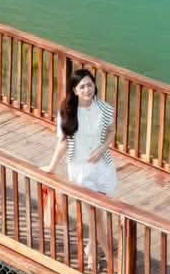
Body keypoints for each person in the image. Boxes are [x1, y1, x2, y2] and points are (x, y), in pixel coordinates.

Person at [47, 65, 118, 196]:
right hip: (79, 169)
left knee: (104, 205)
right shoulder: (66, 113)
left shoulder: (105, 109)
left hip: (103, 167)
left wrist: (102, 149)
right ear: (75, 90)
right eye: (82, 87)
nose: (87, 90)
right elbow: (63, 142)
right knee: (88, 205)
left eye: (90, 85)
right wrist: (51, 167)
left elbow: (111, 131)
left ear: (94, 85)